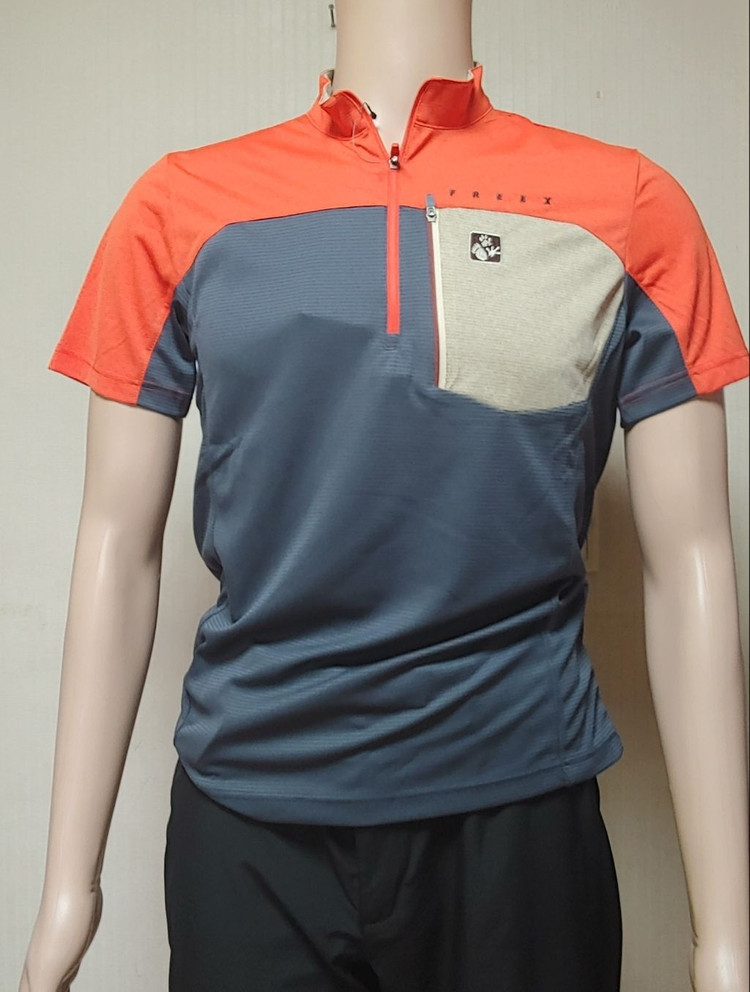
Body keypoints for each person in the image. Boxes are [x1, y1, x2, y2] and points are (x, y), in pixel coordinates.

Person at [20, 0, 750, 989]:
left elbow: (693, 558)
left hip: (519, 819)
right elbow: (117, 543)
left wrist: (724, 938)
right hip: (251, 828)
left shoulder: (626, 205)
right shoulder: (181, 207)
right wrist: (69, 887)